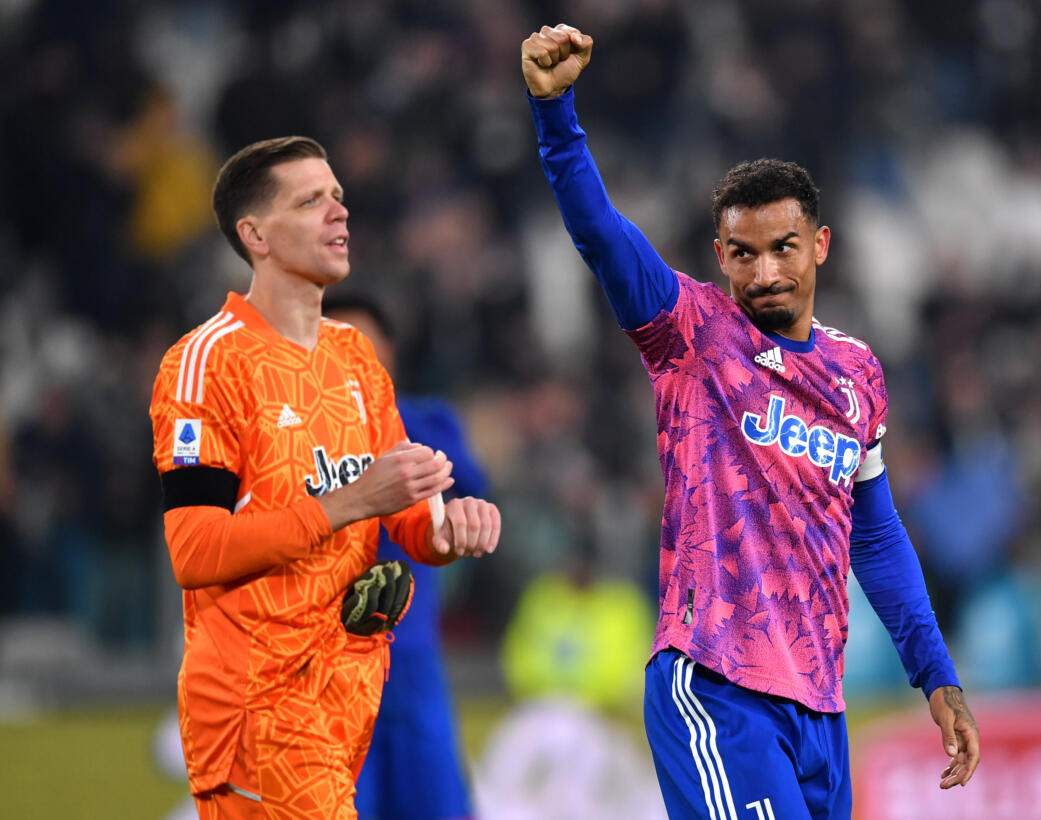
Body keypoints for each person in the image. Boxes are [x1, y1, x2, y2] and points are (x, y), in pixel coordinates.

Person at [520, 24, 979, 819]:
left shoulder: (857, 373)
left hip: (820, 708)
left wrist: (935, 674)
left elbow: (874, 535)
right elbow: (599, 233)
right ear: (720, 254)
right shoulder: (690, 331)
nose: (765, 271)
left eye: (783, 248)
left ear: (820, 246)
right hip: (717, 685)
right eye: (743, 253)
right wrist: (555, 114)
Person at [149, 136, 501, 820]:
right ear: (255, 235)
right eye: (310, 201)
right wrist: (351, 501)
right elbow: (195, 551)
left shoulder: (356, 359)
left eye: (337, 196)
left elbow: (406, 518)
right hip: (257, 708)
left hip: (350, 700)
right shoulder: (206, 363)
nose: (339, 212)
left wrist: (445, 533)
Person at [323, 293, 487, 820]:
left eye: (362, 343)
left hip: (412, 660)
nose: (350, 356)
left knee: (438, 806)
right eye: (334, 343)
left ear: (389, 351)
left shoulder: (427, 423)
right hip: (331, 670)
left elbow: (470, 493)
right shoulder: (298, 443)